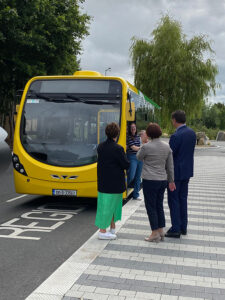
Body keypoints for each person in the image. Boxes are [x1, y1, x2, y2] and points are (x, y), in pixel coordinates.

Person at [137, 123, 175, 242]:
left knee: (151, 206)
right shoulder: (167, 147)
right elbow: (170, 166)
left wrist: (143, 143)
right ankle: (160, 230)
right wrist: (171, 180)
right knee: (159, 205)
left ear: (148, 134)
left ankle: (154, 233)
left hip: (149, 180)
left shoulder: (146, 147)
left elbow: (138, 157)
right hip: (162, 180)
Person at [95, 122, 130, 240]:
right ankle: (102, 231)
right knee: (112, 207)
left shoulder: (100, 147)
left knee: (105, 206)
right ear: (117, 134)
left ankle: (112, 228)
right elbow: (126, 165)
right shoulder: (118, 149)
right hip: (115, 184)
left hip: (103, 183)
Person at [166, 110, 196, 238]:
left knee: (173, 200)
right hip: (187, 172)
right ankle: (183, 227)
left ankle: (176, 228)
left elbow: (170, 156)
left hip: (176, 173)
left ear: (174, 120)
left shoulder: (176, 136)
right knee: (183, 199)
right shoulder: (192, 133)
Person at [127, 123, 143, 200]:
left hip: (139, 158)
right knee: (131, 175)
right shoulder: (128, 137)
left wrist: (142, 147)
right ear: (130, 129)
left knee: (138, 177)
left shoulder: (138, 137)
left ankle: (135, 195)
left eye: (134, 127)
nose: (133, 128)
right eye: (132, 127)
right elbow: (133, 148)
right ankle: (125, 188)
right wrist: (143, 148)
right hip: (132, 157)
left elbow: (139, 147)